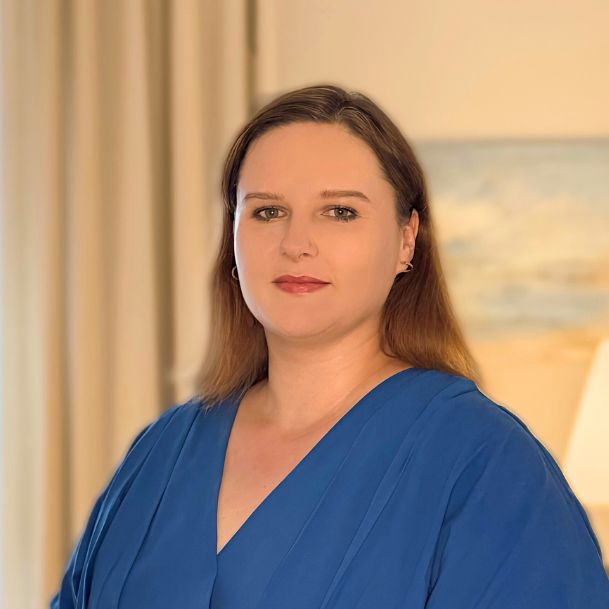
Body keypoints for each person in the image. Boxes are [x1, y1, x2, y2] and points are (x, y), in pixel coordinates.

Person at [49, 84, 609, 608]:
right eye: (267, 211)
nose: (296, 243)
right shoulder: (160, 452)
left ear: (406, 240)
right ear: (233, 237)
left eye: (340, 212)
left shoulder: (489, 465)